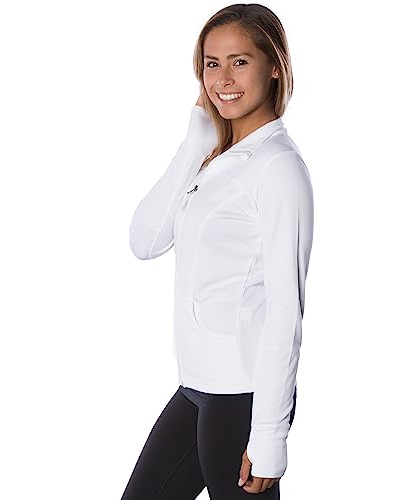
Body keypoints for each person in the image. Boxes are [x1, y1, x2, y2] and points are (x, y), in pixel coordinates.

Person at [121, 4, 314, 499]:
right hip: (196, 387)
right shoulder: (217, 161)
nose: (223, 79)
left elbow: (286, 313)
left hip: (243, 396)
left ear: (275, 66)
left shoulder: (277, 168)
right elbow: (145, 241)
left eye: (239, 62)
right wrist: (194, 143)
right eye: (212, 64)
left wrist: (269, 435)